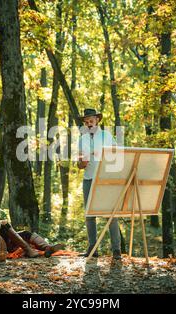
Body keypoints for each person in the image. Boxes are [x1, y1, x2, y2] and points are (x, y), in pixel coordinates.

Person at [77, 108, 122, 260]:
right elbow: (79, 165)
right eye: (86, 122)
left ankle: (116, 250)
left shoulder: (106, 136)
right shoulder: (82, 139)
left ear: (97, 120)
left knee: (110, 214)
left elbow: (117, 154)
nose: (89, 124)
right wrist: (82, 163)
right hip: (88, 178)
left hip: (105, 179)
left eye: (91, 121)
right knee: (90, 214)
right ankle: (92, 248)